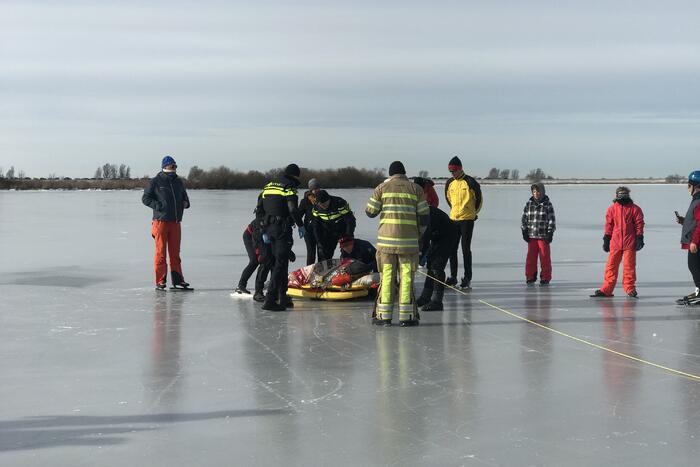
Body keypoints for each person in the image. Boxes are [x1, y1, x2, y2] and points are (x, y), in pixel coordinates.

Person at [365, 161, 430, 326]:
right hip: (408, 245)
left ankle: (383, 316)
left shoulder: (382, 188)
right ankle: (406, 317)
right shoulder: (416, 189)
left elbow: (370, 212)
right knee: (407, 277)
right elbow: (424, 217)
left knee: (387, 277)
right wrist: (418, 236)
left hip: (386, 245)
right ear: (404, 173)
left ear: (390, 174)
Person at [256, 164, 305, 311]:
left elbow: (259, 209)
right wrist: (300, 224)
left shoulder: (268, 186)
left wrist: (262, 229)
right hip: (282, 229)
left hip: (268, 228)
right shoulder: (288, 186)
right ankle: (270, 299)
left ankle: (283, 297)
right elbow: (292, 209)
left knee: (280, 263)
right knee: (280, 263)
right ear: (295, 176)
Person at [142, 156, 191, 290]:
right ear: (165, 166)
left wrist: (185, 203)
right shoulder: (156, 181)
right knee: (160, 253)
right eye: (172, 166)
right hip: (160, 222)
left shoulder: (178, 182)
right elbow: (145, 198)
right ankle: (160, 281)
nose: (175, 168)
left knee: (175, 253)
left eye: (175, 166)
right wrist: (158, 206)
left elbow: (185, 197)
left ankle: (178, 280)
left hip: (175, 222)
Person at [591, 186, 645, 298]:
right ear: (617, 196)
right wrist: (606, 239)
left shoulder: (635, 209)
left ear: (628, 195)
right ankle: (606, 290)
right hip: (615, 243)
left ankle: (630, 288)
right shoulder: (612, 209)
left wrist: (640, 237)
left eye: (625, 194)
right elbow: (608, 225)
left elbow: (639, 223)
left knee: (629, 267)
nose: (623, 196)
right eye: (620, 194)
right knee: (611, 266)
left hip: (630, 242)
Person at [445, 156, 482, 289]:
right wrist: (455, 211)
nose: (452, 174)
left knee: (465, 248)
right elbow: (449, 199)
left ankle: (467, 277)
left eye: (454, 171)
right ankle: (453, 277)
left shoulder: (470, 182)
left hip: (467, 220)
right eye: (451, 171)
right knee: (452, 249)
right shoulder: (449, 183)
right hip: (454, 219)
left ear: (460, 169)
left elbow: (479, 199)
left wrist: (473, 213)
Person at [415, 199, 459, 311]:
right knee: (431, 264)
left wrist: (419, 256)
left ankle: (437, 301)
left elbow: (425, 238)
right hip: (437, 236)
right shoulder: (415, 213)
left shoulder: (424, 213)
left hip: (449, 235)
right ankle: (425, 297)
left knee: (437, 266)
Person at [521, 183, 556, 285]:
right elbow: (524, 218)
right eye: (534, 192)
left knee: (545, 257)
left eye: (538, 191)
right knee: (531, 258)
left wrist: (550, 233)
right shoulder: (529, 204)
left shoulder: (547, 205)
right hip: (531, 236)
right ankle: (530, 276)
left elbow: (551, 220)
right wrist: (524, 230)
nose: (536, 194)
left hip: (543, 237)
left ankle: (545, 277)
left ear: (542, 192)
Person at [676, 171, 700, 305]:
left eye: (689, 185)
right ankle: (698, 291)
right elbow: (696, 221)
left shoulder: (699, 200)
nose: (687, 188)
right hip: (695, 239)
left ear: (695, 186)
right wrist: (684, 221)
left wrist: (695, 242)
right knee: (696, 267)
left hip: (696, 241)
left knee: (694, 266)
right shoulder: (696, 199)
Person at [311, 190, 356, 261]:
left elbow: (350, 220)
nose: (323, 206)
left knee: (347, 251)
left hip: (342, 230)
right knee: (325, 253)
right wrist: (319, 241)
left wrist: (349, 235)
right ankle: (325, 269)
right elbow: (315, 225)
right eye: (321, 204)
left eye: (325, 203)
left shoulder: (339, 202)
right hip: (328, 231)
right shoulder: (316, 207)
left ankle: (350, 267)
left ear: (329, 199)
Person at [298, 178, 321, 265]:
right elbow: (299, 215)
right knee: (311, 253)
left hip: (321, 230)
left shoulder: (323, 199)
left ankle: (322, 272)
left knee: (321, 252)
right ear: (310, 189)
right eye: (314, 189)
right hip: (308, 230)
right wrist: (299, 225)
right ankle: (309, 273)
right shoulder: (305, 201)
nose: (316, 190)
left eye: (317, 188)